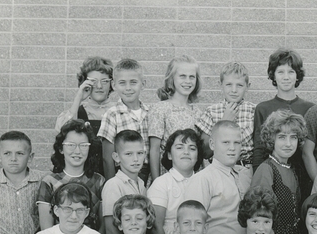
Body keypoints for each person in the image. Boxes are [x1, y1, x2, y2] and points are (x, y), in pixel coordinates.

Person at [251, 49, 314, 195]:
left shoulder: (310, 109)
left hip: (303, 179)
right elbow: (259, 151)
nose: (286, 77)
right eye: (281, 72)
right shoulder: (263, 108)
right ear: (273, 75)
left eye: (291, 72)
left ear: (298, 75)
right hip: (273, 178)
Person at [182, 120, 252, 234]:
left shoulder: (245, 176)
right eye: (226, 142)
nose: (232, 148)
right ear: (212, 144)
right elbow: (192, 228)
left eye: (237, 143)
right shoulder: (202, 179)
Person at [251, 110, 306, 234]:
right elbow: (260, 217)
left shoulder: (292, 169)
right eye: (282, 137)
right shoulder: (266, 170)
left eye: (293, 137)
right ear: (271, 139)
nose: (288, 143)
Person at [37, 120, 105, 232]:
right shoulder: (49, 181)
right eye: (70, 145)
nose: (77, 151)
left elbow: (103, 227)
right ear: (60, 149)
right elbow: (46, 230)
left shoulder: (99, 181)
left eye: (83, 145)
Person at [148, 55, 203, 184]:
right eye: (182, 76)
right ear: (172, 79)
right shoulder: (160, 109)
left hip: (191, 177)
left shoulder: (198, 113)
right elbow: (154, 149)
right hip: (167, 177)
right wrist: (157, 182)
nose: (187, 81)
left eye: (192, 77)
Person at [148, 128, 203, 234]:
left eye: (192, 148)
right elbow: (156, 226)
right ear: (169, 155)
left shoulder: (204, 182)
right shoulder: (161, 183)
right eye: (179, 147)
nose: (186, 152)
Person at [97, 58, 149, 181]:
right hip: (122, 175)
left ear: (143, 84)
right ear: (114, 85)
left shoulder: (150, 113)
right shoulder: (112, 115)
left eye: (133, 82)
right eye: (122, 83)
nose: (128, 88)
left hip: (148, 175)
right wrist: (112, 184)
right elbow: (107, 158)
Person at [196, 62, 256, 166]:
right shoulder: (211, 112)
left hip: (246, 168)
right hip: (219, 169)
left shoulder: (254, 111)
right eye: (229, 84)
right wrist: (224, 122)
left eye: (239, 85)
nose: (234, 90)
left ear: (247, 87)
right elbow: (205, 152)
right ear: (221, 85)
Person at [54, 56, 116, 148]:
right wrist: (79, 97)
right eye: (93, 81)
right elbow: (62, 133)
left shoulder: (119, 110)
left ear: (112, 83)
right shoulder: (77, 112)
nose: (99, 86)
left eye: (104, 81)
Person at [101, 130, 147, 234]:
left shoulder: (142, 184)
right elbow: (111, 229)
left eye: (140, 153)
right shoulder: (114, 185)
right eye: (128, 154)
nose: (136, 159)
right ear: (116, 157)